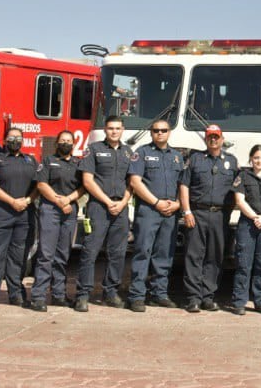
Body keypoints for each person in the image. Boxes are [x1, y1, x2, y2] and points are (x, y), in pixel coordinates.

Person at [75, 115, 134, 312]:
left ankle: (110, 292)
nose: (114, 131)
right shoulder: (93, 150)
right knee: (90, 251)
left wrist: (123, 202)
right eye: (110, 128)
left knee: (117, 253)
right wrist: (109, 202)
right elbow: (88, 181)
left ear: (122, 130)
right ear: (105, 130)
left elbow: (132, 182)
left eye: (117, 128)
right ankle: (83, 294)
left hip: (121, 209)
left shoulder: (128, 152)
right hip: (99, 207)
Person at [178, 124, 239, 313]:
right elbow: (184, 186)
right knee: (194, 255)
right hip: (197, 213)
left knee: (215, 256)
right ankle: (193, 298)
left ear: (222, 139)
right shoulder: (195, 159)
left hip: (221, 215)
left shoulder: (232, 161)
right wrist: (186, 211)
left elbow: (238, 189)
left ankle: (208, 296)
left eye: (216, 137)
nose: (213, 140)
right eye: (210, 137)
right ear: (206, 139)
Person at [126, 119, 184, 312]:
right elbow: (135, 182)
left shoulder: (177, 156)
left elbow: (182, 185)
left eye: (164, 130)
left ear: (169, 133)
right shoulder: (142, 153)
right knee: (143, 251)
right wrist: (156, 202)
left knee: (164, 254)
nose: (160, 133)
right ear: (151, 133)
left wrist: (177, 203)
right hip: (149, 210)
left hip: (171, 212)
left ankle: (159, 294)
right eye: (156, 130)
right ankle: (136, 296)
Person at [0, 126, 38, 307]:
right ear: (4, 141)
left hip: (24, 215)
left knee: (18, 257)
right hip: (0, 214)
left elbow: (39, 186)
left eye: (19, 137)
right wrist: (12, 202)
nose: (15, 140)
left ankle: (16, 294)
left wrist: (27, 200)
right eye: (11, 137)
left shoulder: (31, 160)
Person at [29, 131, 83, 312]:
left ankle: (59, 294)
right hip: (51, 210)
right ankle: (38, 296)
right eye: (62, 141)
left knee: (62, 255)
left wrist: (68, 200)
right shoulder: (48, 161)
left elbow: (84, 186)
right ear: (56, 143)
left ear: (73, 144)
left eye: (69, 141)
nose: (66, 144)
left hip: (69, 210)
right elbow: (41, 184)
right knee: (46, 254)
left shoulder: (78, 164)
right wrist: (59, 201)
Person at [227, 144, 261, 316]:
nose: (259, 161)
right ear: (251, 158)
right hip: (247, 225)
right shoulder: (243, 176)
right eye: (256, 157)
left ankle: (260, 301)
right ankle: (239, 302)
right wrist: (254, 217)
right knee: (243, 264)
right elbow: (240, 200)